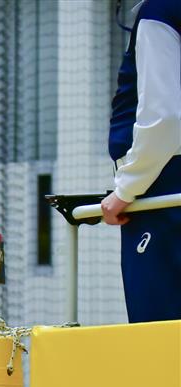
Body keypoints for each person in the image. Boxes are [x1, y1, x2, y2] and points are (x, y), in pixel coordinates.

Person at [101, 0, 181, 322]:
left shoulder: (159, 11)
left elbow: (164, 117)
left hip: (163, 190)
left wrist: (125, 189)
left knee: (158, 328)